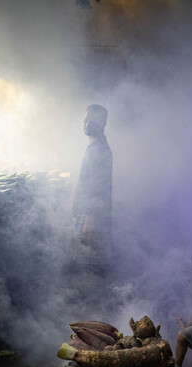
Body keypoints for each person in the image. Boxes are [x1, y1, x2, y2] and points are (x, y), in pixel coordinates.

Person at [72, 104, 113, 276]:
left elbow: (99, 188)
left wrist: (89, 219)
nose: (87, 123)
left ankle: (92, 299)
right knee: (85, 260)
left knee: (89, 263)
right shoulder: (94, 147)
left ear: (103, 123)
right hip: (86, 214)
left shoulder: (99, 150)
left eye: (92, 120)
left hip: (90, 216)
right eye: (85, 119)